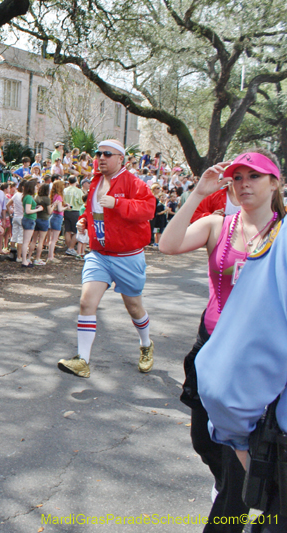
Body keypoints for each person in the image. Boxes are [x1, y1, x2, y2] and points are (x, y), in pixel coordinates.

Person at [161, 150, 285, 532]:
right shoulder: (220, 225)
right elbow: (168, 244)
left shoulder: (282, 236)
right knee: (204, 440)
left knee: (238, 458)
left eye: (254, 177)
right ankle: (244, 487)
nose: (243, 184)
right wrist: (198, 194)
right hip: (210, 348)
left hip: (254, 358)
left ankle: (240, 503)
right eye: (237, 178)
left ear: (275, 183)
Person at [57, 139, 156, 378]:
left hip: (128, 256)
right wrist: (85, 220)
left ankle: (146, 345)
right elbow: (95, 211)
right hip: (99, 255)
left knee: (134, 307)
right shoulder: (95, 181)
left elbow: (148, 209)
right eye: (98, 153)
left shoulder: (134, 183)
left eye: (107, 154)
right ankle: (82, 360)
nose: (101, 157)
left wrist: (119, 203)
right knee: (86, 302)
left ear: (121, 158)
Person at [19, 179, 43, 267]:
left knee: (26, 241)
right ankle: (24, 261)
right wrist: (38, 209)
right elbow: (28, 210)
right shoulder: (29, 197)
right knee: (26, 242)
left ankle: (25, 260)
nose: (37, 188)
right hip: (29, 219)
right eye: (35, 186)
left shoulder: (27, 196)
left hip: (28, 219)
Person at [47, 180, 67, 264]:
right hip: (58, 217)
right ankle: (50, 257)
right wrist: (66, 207)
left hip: (52, 216)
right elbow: (59, 209)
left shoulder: (53, 195)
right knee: (54, 239)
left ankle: (51, 254)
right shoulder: (59, 196)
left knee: (51, 238)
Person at [63, 176, 83, 256]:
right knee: (76, 231)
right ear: (76, 181)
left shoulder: (65, 190)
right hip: (75, 211)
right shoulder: (78, 191)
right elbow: (81, 201)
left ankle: (69, 248)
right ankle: (71, 248)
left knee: (67, 230)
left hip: (66, 211)